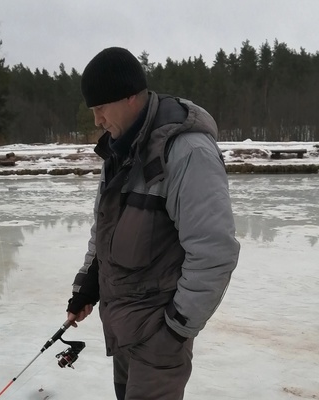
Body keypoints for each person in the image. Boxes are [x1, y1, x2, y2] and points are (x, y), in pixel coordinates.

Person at [66, 47, 240, 400]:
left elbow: (214, 253)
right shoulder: (119, 151)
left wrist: (175, 330)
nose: (97, 120)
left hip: (159, 340)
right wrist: (88, 286)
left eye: (101, 108)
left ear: (130, 97)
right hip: (123, 330)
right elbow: (106, 231)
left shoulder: (187, 152)